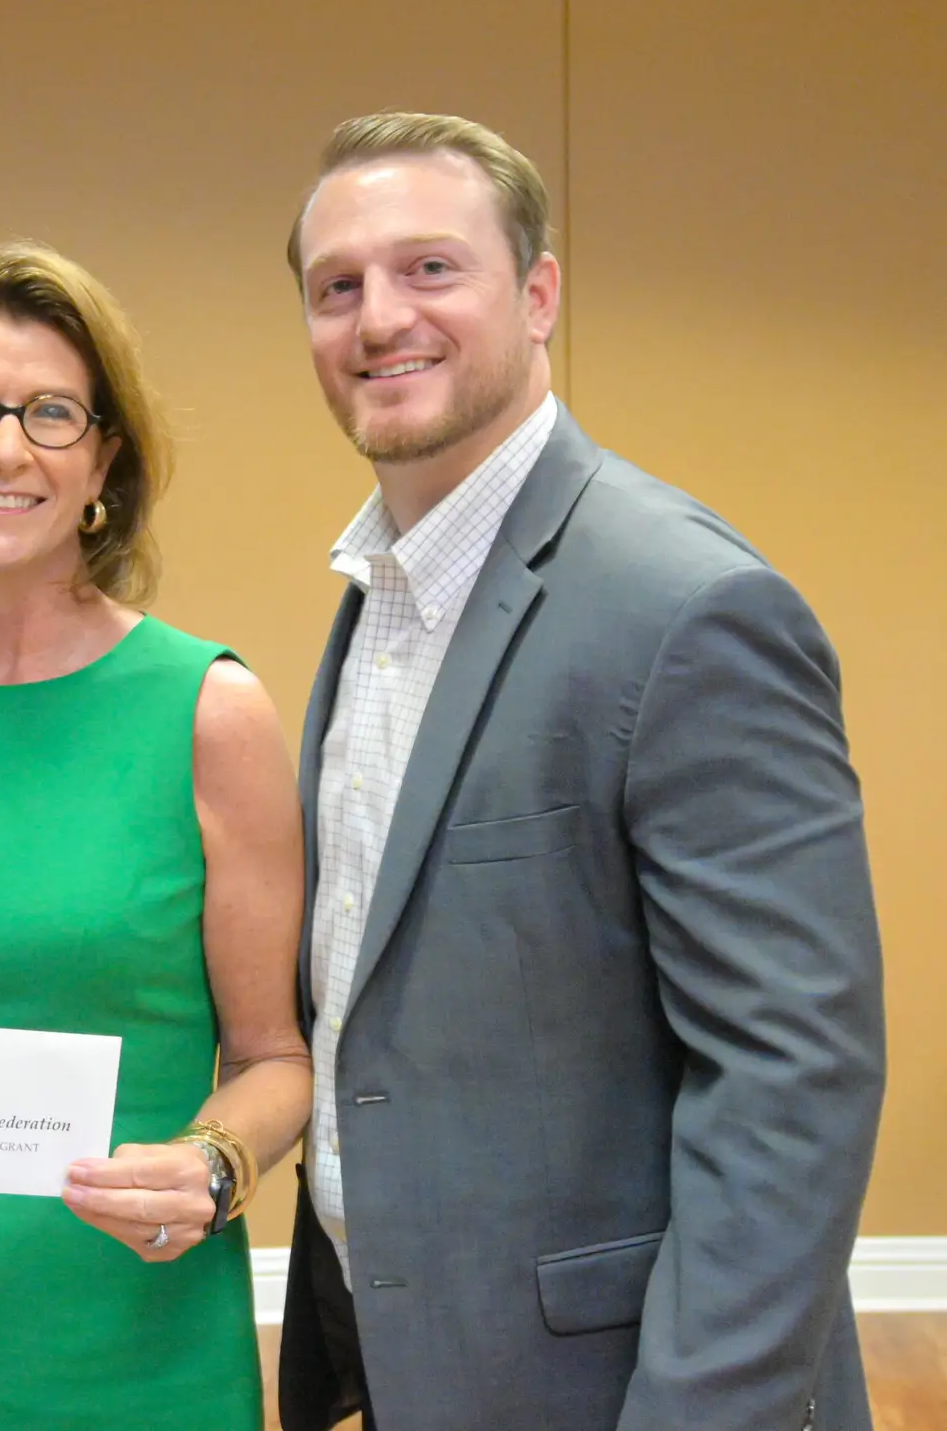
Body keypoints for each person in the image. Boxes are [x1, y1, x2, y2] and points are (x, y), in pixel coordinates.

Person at [274, 112, 886, 1431]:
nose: (379, 318)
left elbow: (792, 1081)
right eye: (339, 287)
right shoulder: (384, 590)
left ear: (539, 295)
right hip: (423, 1363)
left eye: (431, 269)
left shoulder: (687, 607)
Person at [0, 241, 313, 1430]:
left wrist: (212, 1167)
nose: (6, 448)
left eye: (53, 414)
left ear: (105, 463)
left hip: (128, 1342)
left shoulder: (208, 709)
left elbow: (276, 1059)